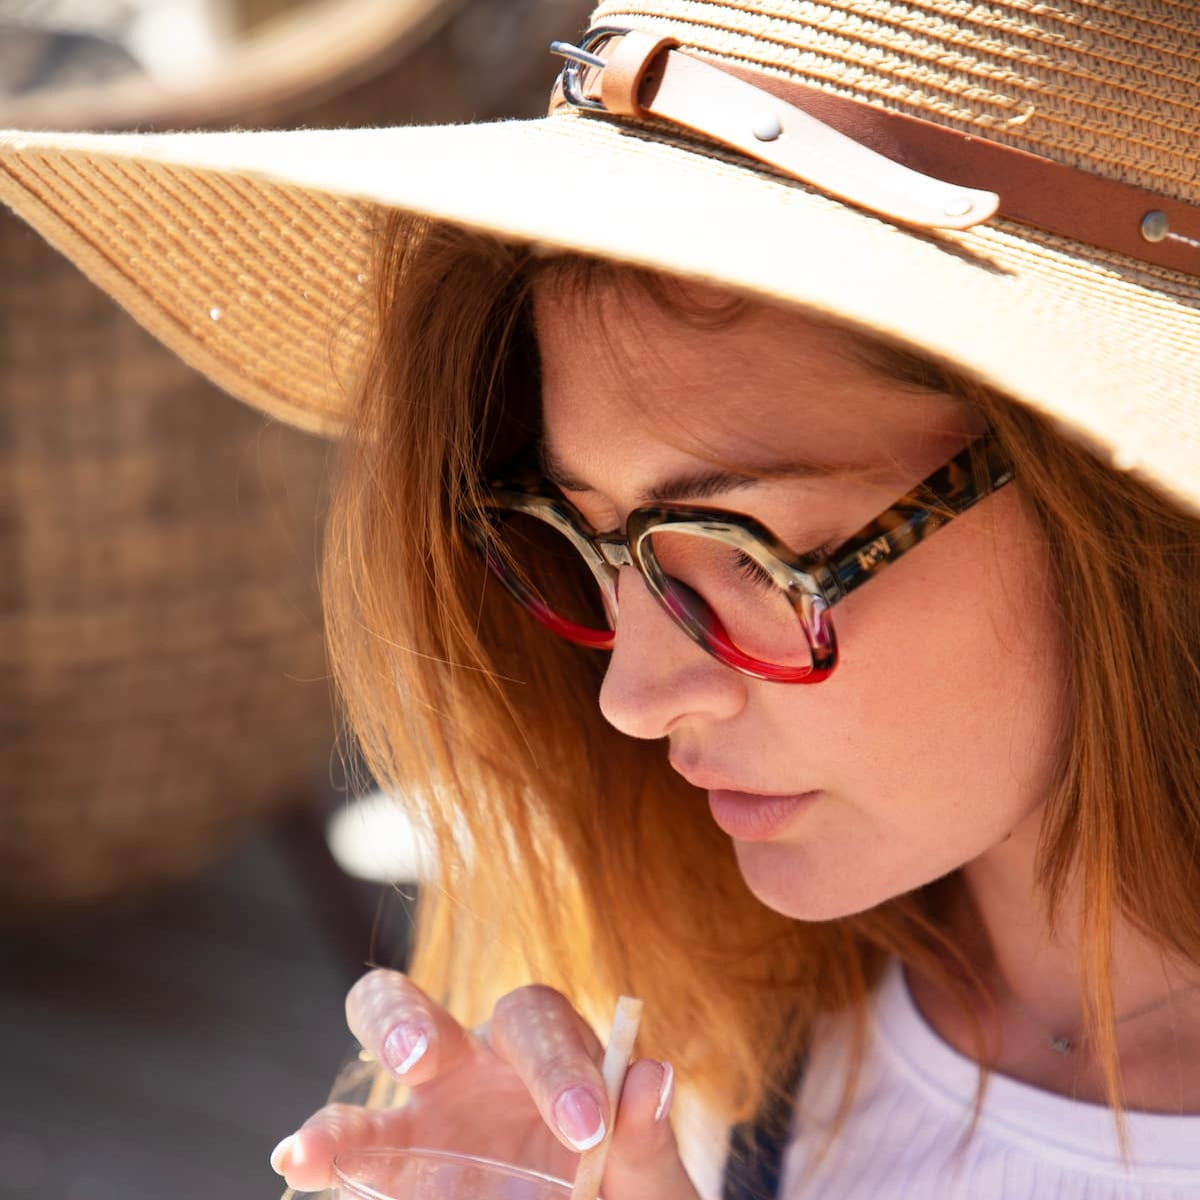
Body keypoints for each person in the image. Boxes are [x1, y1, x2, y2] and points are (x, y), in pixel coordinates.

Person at [3, 1, 1199, 1196]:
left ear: (1111, 495)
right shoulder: (720, 1042)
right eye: (586, 543)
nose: (632, 697)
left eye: (748, 553)